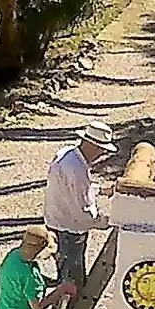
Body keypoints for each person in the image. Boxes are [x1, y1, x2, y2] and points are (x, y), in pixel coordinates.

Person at [43, 121, 116, 290]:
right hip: (69, 230)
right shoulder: (76, 169)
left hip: (55, 221)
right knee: (72, 283)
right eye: (101, 150)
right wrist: (105, 221)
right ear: (93, 146)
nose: (102, 154)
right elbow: (83, 212)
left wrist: (100, 190)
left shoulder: (67, 154)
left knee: (64, 274)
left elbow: (72, 189)